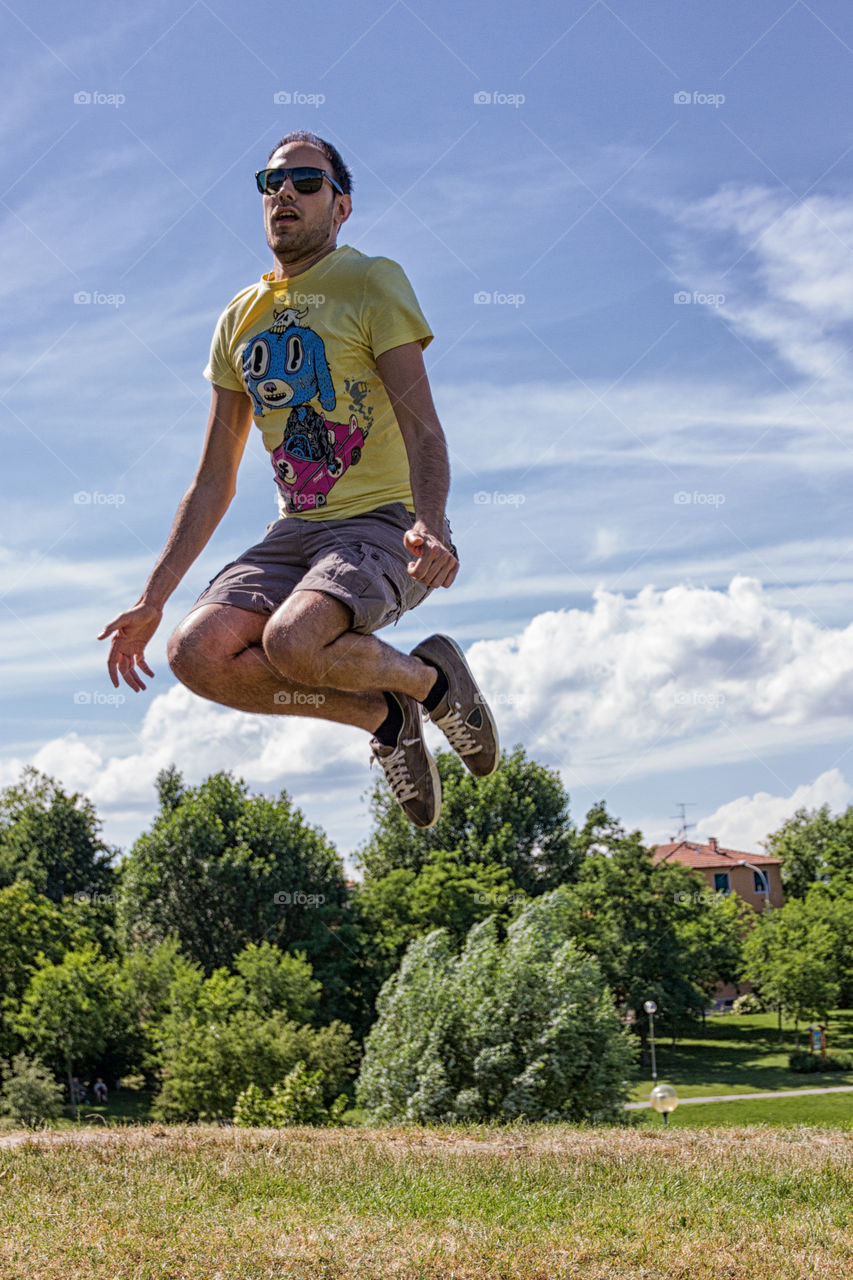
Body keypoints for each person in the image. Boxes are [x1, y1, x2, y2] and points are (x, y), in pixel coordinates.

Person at [99, 131, 498, 827]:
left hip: (383, 520)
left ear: (340, 206)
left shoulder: (371, 281)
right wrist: (152, 597)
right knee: (196, 654)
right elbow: (213, 478)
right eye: (271, 182)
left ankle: (433, 680)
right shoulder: (238, 318)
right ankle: (385, 714)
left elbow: (422, 426)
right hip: (297, 531)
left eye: (305, 181)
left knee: (293, 641)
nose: (283, 192)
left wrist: (429, 522)